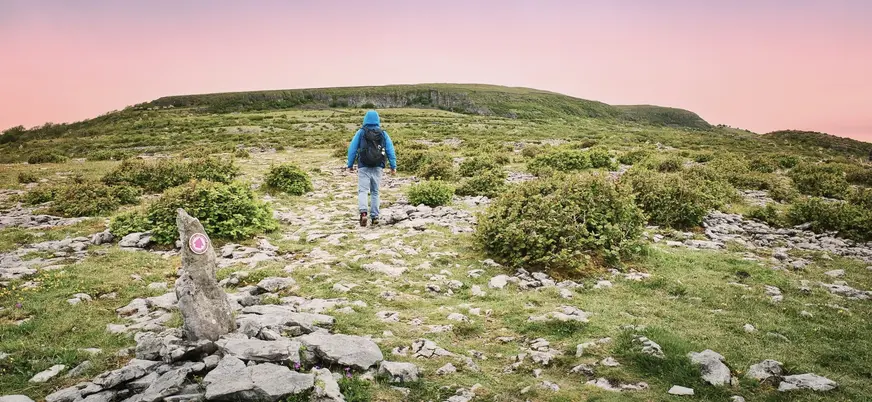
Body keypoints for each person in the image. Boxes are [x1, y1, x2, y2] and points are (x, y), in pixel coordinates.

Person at [344, 110, 397, 227]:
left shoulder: (361, 132)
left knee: (363, 191)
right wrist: (393, 166)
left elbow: (352, 149)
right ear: (378, 119)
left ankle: (363, 213)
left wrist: (350, 164)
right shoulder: (383, 133)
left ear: (365, 119)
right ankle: (375, 216)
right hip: (378, 166)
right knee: (375, 192)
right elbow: (390, 150)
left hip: (364, 165)